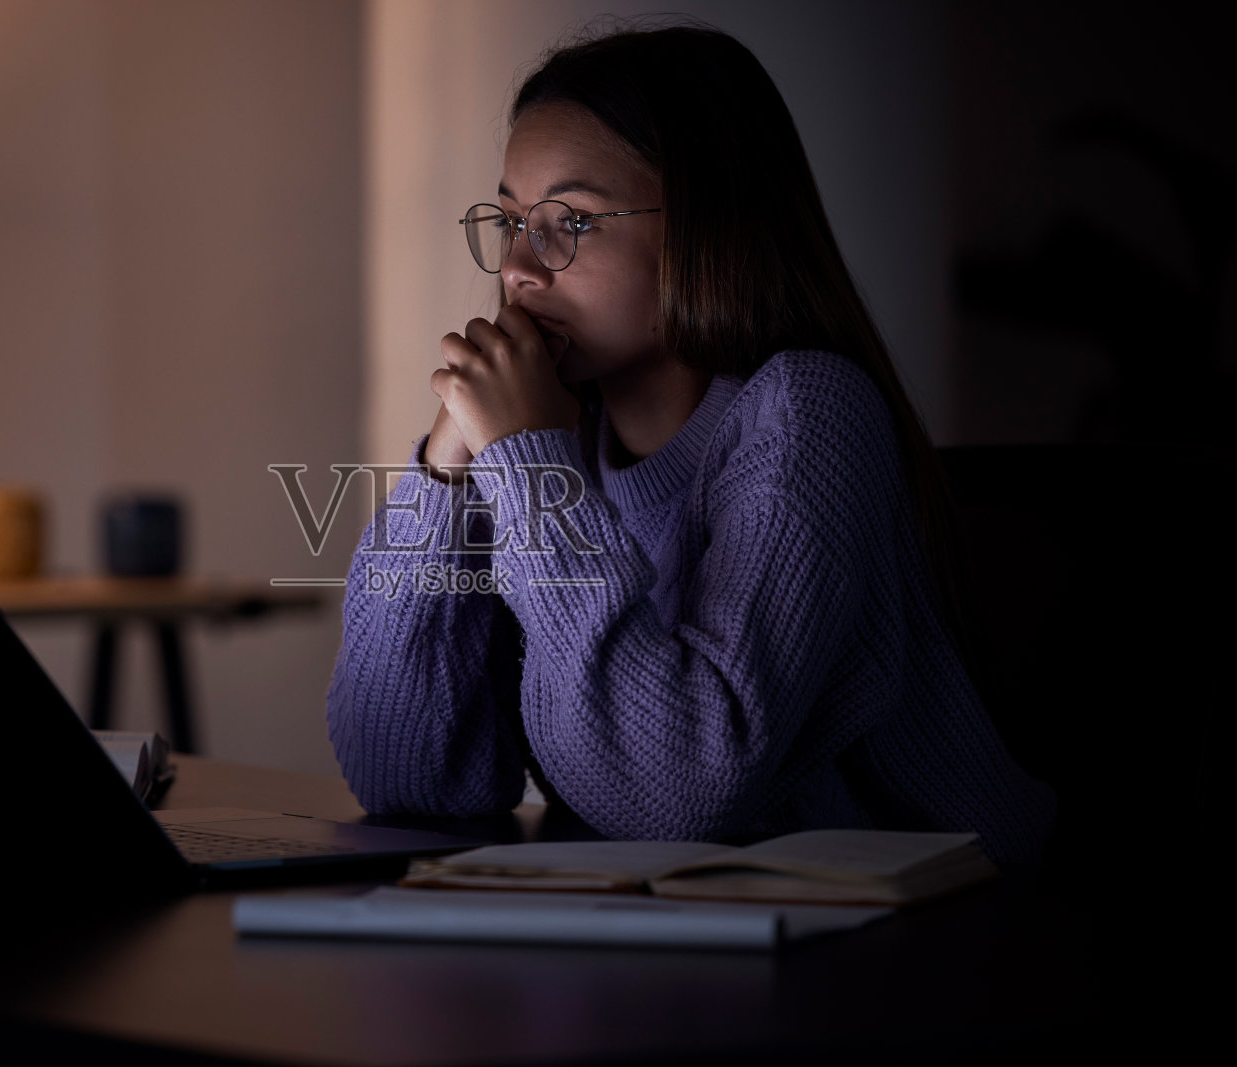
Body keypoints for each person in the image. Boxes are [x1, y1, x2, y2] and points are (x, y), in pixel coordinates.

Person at [326, 24, 1057, 868]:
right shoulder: (559, 442)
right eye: (511, 220)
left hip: (944, 931)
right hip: (701, 920)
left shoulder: (809, 413)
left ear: (706, 227)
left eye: (571, 219)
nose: (521, 267)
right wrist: (444, 475)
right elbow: (406, 778)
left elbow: (671, 791)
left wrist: (527, 467)